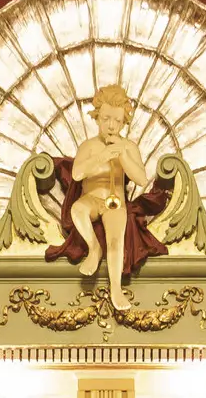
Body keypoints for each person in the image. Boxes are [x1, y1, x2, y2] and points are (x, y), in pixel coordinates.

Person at [66, 83, 158, 305]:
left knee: (116, 240)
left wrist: (123, 156)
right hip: (92, 198)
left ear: (124, 122)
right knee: (77, 210)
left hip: (115, 203)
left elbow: (142, 179)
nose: (111, 125)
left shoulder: (128, 146)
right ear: (97, 118)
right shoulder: (88, 146)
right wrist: (103, 155)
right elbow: (77, 174)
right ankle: (94, 247)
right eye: (106, 119)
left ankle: (116, 289)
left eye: (117, 121)